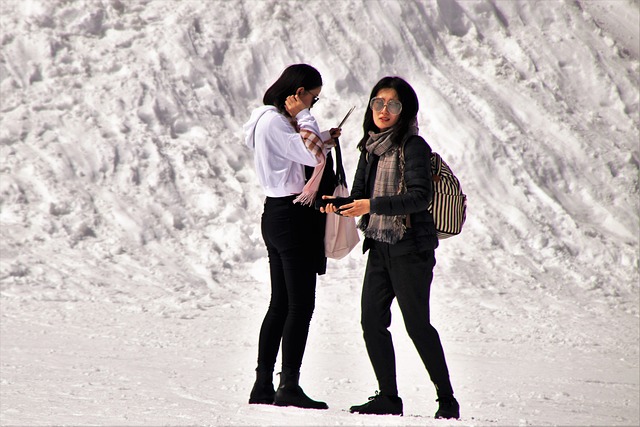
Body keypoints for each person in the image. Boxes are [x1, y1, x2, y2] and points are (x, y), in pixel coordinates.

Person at [323, 76, 460, 419]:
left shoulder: (413, 146)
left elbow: (419, 197)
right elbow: (359, 197)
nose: (384, 110)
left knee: (417, 325)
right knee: (371, 320)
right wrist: (336, 204)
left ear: (405, 110)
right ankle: (388, 396)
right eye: (378, 103)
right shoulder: (369, 146)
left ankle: (447, 399)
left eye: (393, 104)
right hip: (380, 244)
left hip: (411, 248)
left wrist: (370, 205)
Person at [243, 64, 341, 410]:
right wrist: (307, 120)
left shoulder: (267, 120)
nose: (312, 106)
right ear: (298, 93)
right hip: (290, 216)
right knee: (300, 304)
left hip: (277, 213)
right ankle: (288, 385)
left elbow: (298, 150)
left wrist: (323, 135)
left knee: (282, 302)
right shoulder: (274, 121)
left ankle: (262, 384)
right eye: (312, 98)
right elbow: (310, 153)